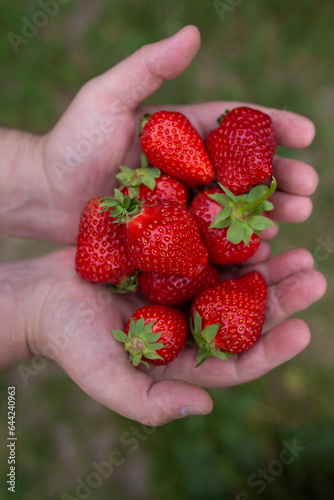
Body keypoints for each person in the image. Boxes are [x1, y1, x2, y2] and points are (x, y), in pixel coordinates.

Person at [0, 26, 326, 426]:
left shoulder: (190, 206)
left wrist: (37, 313)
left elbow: (182, 238)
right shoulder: (173, 209)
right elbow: (177, 241)